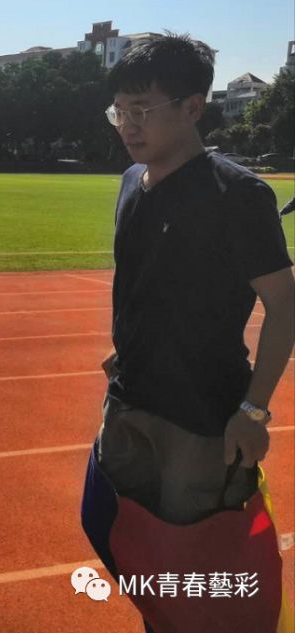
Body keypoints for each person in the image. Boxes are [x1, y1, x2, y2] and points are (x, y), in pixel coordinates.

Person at [86, 34, 294, 632]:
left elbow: (285, 305)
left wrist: (253, 411)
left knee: (201, 564)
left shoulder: (238, 195)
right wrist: (126, 345)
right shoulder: (132, 181)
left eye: (142, 109)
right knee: (139, 553)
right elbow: (148, 278)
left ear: (193, 107)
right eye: (119, 111)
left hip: (201, 421)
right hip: (128, 402)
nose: (128, 125)